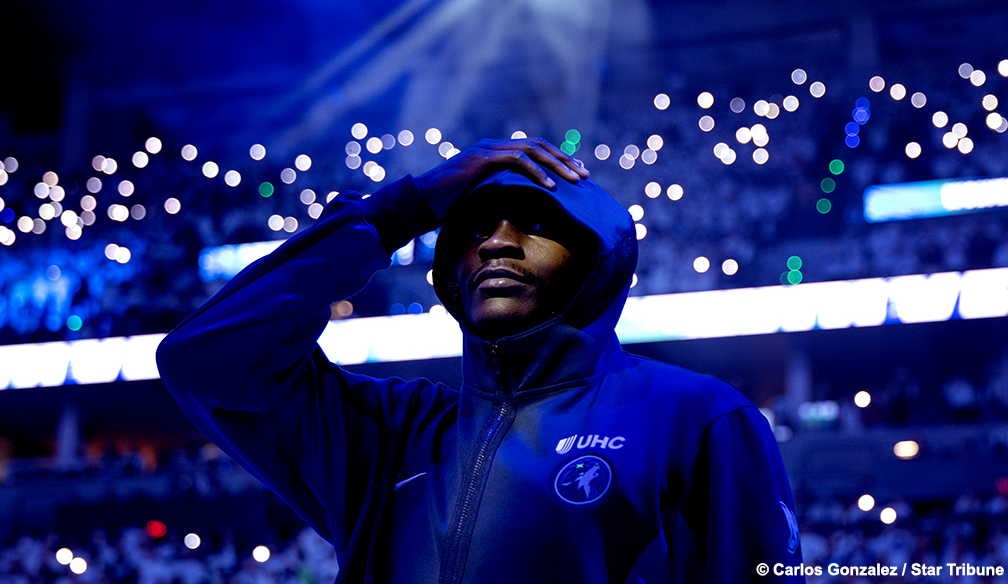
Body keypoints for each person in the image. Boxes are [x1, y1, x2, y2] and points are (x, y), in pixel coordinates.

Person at [157, 137, 805, 583]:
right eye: (470, 230)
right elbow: (203, 357)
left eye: (535, 224)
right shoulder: (390, 433)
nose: (496, 243)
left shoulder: (696, 417)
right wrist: (400, 212)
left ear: (596, 258)